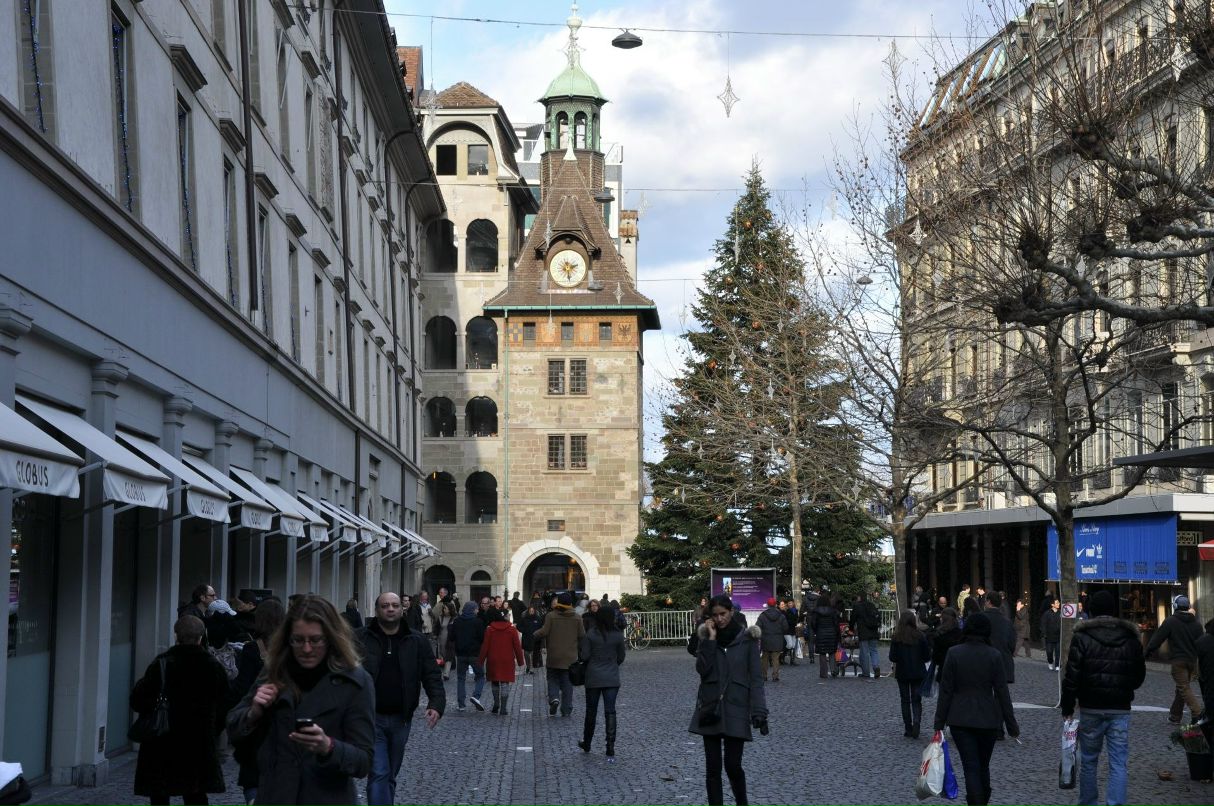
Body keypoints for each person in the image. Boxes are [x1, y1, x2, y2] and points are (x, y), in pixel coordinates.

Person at [227, 595, 374, 806]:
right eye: (298, 640)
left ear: (331, 638)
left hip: (328, 797)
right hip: (275, 795)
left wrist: (328, 746)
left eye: (315, 640)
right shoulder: (275, 671)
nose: (306, 649)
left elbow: (363, 760)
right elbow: (233, 725)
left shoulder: (355, 682)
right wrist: (253, 712)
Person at [355, 592, 445, 806]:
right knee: (379, 772)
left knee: (389, 774)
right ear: (377, 610)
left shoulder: (416, 640)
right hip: (370, 717)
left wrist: (436, 704)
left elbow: (431, 674)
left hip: (401, 718)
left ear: (402, 609)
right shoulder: (360, 638)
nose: (390, 609)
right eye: (385, 605)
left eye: (395, 605)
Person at [1060, 590, 1146, 806]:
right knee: (1118, 762)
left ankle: (1088, 802)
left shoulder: (1082, 637)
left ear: (1092, 610)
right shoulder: (1130, 638)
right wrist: (1125, 687)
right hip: (1120, 707)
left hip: (1090, 707)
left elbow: (1072, 675)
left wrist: (1068, 706)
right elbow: (1139, 674)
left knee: (1089, 760)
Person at [132, 615, 229, 806]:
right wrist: (213, 731)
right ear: (201, 637)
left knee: (160, 795)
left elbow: (137, 700)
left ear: (176, 635)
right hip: (198, 741)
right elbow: (225, 704)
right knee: (195, 794)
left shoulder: (163, 663)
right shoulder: (212, 666)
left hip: (162, 740)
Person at [932, 613, 1020, 806]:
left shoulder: (954, 653)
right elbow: (1002, 693)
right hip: (988, 718)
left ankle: (975, 801)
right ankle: (982, 799)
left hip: (960, 718)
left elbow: (946, 691)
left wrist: (939, 722)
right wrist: (1011, 724)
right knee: (983, 766)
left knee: (970, 767)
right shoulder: (994, 655)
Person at [689, 595, 767, 806]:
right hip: (711, 706)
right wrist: (710, 640)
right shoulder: (707, 638)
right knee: (712, 768)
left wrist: (759, 711)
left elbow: (756, 678)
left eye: (723, 614)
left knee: (733, 765)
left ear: (731, 612)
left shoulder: (747, 640)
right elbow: (702, 670)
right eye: (715, 615)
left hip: (736, 706)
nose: (720, 619)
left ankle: (742, 802)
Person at [230, 598, 287, 805]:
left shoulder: (253, 649)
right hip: (283, 717)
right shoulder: (291, 646)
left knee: (253, 774)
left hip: (258, 718)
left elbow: (242, 686)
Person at [577, 604, 627, 757]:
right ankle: (610, 745)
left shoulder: (591, 634)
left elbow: (584, 656)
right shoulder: (618, 635)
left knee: (591, 711)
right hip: (611, 676)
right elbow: (621, 657)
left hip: (593, 676)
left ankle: (587, 742)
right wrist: (611, 664)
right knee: (610, 711)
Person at [1145, 595, 1204, 724]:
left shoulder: (1171, 621)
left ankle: (1198, 713)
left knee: (1183, 688)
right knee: (1181, 689)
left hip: (1179, 660)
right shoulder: (1196, 624)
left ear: (1175, 606)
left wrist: (1148, 651)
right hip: (1192, 661)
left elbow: (1158, 638)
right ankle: (1175, 716)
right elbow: (1202, 642)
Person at [535, 591, 586, 717]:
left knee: (552, 678)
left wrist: (534, 634)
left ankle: (554, 698)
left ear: (559, 603)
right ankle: (566, 708)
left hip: (554, 655)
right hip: (570, 657)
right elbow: (582, 635)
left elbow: (544, 631)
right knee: (567, 683)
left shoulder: (551, 616)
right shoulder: (577, 617)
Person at [889, 610, 932, 738]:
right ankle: (917, 723)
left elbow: (893, 657)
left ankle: (908, 727)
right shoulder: (920, 636)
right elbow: (926, 656)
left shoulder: (897, 637)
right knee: (916, 699)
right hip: (918, 672)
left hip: (902, 672)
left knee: (905, 700)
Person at [479, 607, 524, 715]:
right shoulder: (512, 629)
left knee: (495, 682)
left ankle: (496, 704)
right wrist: (520, 661)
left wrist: (480, 660)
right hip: (507, 660)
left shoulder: (490, 629)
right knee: (505, 683)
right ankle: (503, 707)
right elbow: (517, 646)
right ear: (504, 617)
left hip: (493, 659)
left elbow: (485, 646)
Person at [451, 600, 488, 711]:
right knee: (480, 676)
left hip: (461, 654)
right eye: (476, 608)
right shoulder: (478, 622)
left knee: (461, 678)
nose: (477, 610)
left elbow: (452, 637)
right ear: (472, 609)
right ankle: (476, 696)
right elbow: (482, 638)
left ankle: (461, 704)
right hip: (474, 654)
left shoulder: (457, 621)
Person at [983, 591, 1016, 685]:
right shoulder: (1007, 622)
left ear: (988, 602)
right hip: (1003, 662)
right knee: (1001, 695)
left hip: (984, 662)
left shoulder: (980, 618)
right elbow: (1012, 644)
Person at [849, 591, 882, 679]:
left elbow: (852, 619)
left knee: (864, 653)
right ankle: (876, 667)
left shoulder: (857, 606)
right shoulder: (871, 605)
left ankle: (866, 672)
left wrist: (851, 629)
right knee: (874, 651)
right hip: (873, 631)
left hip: (863, 633)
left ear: (859, 597)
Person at [809, 590, 841, 678]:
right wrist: (837, 634)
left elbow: (813, 623)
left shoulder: (816, 611)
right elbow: (836, 623)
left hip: (820, 634)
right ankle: (834, 670)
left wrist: (816, 630)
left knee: (822, 654)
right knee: (831, 653)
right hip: (831, 634)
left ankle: (823, 673)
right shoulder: (833, 611)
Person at [931, 607, 964, 686]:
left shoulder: (939, 635)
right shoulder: (961, 634)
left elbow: (935, 657)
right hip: (959, 671)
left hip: (944, 670)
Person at [756, 598, 786, 682]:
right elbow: (785, 627)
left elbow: (757, 626)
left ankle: (764, 676)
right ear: (776, 605)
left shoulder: (762, 615)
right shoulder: (781, 615)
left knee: (764, 659)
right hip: (777, 640)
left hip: (765, 639)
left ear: (768, 605)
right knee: (775, 659)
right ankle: (775, 676)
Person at [519, 604, 544, 674]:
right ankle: (528, 666)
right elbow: (519, 626)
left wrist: (539, 635)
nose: (531, 612)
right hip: (526, 638)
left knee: (533, 654)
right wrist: (524, 631)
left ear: (535, 611)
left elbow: (541, 628)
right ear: (528, 611)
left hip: (535, 639)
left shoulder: (538, 619)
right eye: (530, 611)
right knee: (526, 653)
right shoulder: (524, 618)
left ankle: (531, 667)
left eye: (533, 611)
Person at [1041, 598, 1062, 670]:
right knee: (1049, 652)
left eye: (1059, 603)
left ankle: (1057, 665)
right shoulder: (1047, 613)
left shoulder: (1061, 613)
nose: (1059, 604)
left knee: (1058, 652)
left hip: (1059, 636)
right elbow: (1043, 624)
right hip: (1049, 637)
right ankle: (1050, 662)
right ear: (1052, 604)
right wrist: (1044, 634)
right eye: (1057, 603)